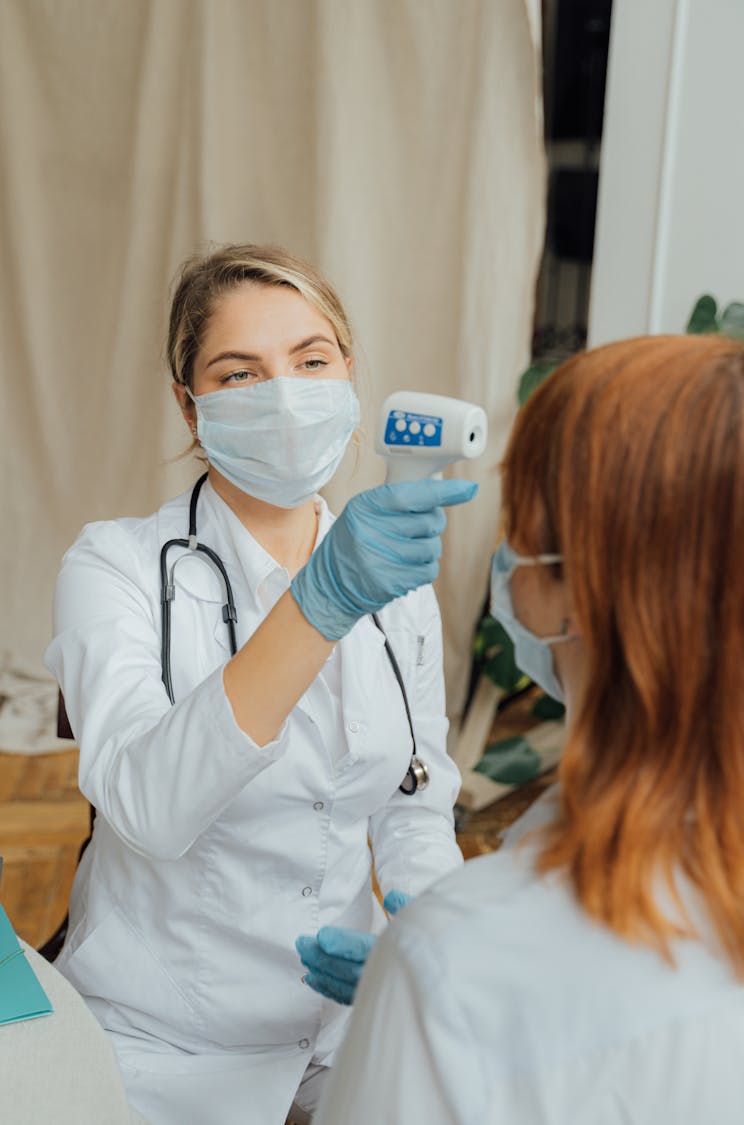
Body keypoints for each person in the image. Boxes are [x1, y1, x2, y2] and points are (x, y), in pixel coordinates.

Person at [43, 243, 477, 1125]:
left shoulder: (399, 586)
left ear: (349, 378)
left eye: (311, 362)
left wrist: (433, 943)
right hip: (163, 1049)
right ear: (190, 408)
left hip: (344, 1036)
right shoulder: (116, 565)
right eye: (239, 374)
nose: (284, 395)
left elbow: (413, 804)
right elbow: (148, 804)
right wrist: (319, 602)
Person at [314, 334, 744, 1124]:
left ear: (574, 586)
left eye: (519, 514)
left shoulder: (459, 964)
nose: (506, 550)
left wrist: (428, 983)